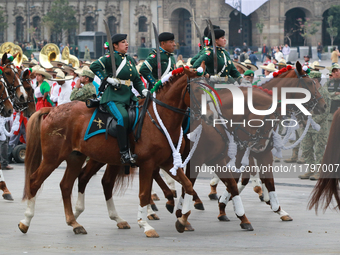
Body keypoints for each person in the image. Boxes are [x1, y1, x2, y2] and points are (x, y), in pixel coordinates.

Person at [90, 33, 147, 164]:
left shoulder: (130, 60)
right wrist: (107, 78)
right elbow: (94, 66)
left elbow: (136, 79)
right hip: (113, 97)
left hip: (129, 96)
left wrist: (143, 90)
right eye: (123, 42)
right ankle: (124, 152)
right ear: (115, 46)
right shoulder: (110, 57)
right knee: (123, 117)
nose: (126, 44)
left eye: (126, 41)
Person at [299, 71, 330, 180]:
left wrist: (311, 121)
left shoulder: (324, 93)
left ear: (315, 80)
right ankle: (310, 170)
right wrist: (302, 120)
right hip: (307, 127)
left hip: (319, 128)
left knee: (319, 150)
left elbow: (325, 111)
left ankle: (319, 172)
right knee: (306, 149)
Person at [325, 63, 340, 135]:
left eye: (337, 70)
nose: (336, 73)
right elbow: (325, 94)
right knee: (330, 134)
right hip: (331, 112)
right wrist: (334, 93)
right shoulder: (328, 83)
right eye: (334, 72)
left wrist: (332, 96)